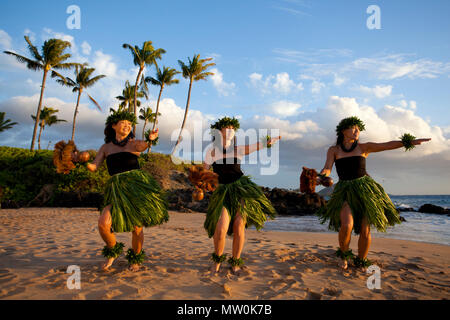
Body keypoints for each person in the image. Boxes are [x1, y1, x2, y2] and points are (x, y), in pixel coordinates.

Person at [316, 116, 431, 270]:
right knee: (346, 225)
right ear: (343, 131)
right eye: (354, 127)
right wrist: (321, 176)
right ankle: (344, 256)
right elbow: (327, 168)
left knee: (365, 229)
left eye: (359, 128)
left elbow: (387, 145)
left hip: (365, 190)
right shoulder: (334, 150)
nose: (357, 131)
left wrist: (408, 142)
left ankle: (361, 260)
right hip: (345, 190)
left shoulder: (364, 147)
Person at [87, 108, 169, 272]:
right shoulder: (106, 148)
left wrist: (150, 139)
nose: (127, 126)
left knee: (137, 228)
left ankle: (136, 258)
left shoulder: (134, 143)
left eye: (130, 124)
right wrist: (80, 160)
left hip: (135, 188)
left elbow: (144, 146)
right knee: (104, 223)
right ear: (113, 126)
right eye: (123, 123)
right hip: (116, 190)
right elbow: (93, 167)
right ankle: (113, 250)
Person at [203, 116, 281, 273]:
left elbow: (257, 146)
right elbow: (204, 172)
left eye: (233, 128)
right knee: (221, 228)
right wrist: (201, 184)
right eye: (228, 128)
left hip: (240, 190)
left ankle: (235, 261)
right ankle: (217, 259)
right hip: (223, 192)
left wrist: (268, 142)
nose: (231, 131)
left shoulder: (238, 149)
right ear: (219, 132)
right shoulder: (211, 152)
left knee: (239, 226)